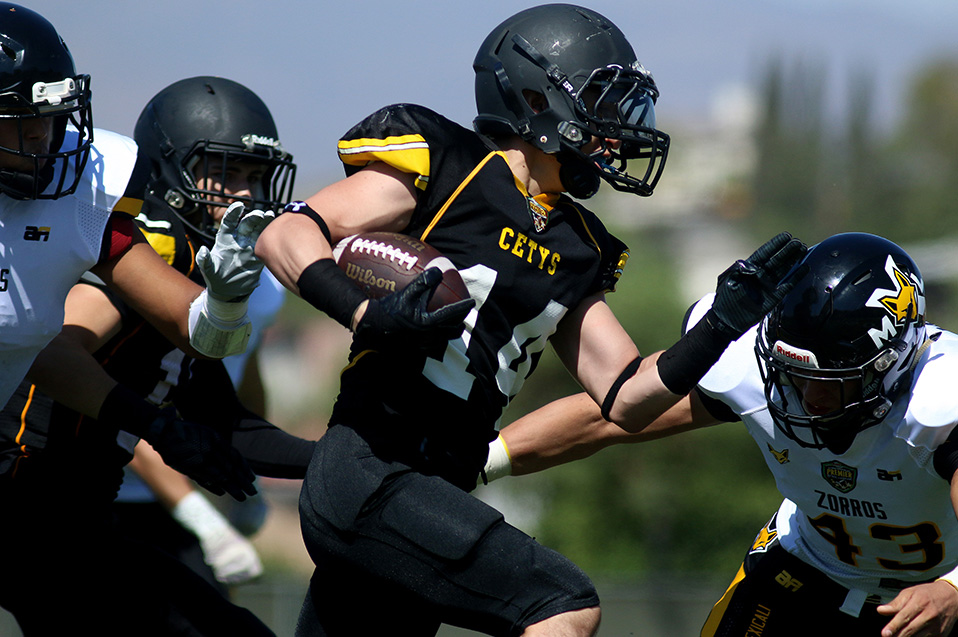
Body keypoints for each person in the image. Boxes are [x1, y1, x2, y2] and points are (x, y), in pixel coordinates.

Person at [254, 4, 806, 635]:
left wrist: (718, 329)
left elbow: (626, 397)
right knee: (562, 604)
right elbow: (287, 232)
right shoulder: (448, 163)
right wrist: (362, 314)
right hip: (371, 470)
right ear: (539, 99)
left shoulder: (581, 246)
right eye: (604, 102)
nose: (620, 127)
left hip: (438, 491)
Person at [492, 232, 958, 637]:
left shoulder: (938, 401)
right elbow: (604, 418)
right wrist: (482, 460)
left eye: (830, 379)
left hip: (935, 592)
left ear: (890, 363)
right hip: (806, 568)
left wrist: (952, 589)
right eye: (794, 374)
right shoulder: (757, 372)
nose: (808, 397)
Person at [0, 2, 259, 500]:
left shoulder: (77, 203)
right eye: (23, 117)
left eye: (53, 116)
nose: (42, 134)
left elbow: (200, 334)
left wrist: (225, 301)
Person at [111, 75, 298, 593]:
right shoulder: (144, 261)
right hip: (91, 488)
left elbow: (238, 387)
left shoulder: (250, 280)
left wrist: (254, 476)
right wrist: (203, 520)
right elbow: (131, 397)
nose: (245, 192)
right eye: (226, 173)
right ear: (170, 172)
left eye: (254, 175)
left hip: (173, 479)